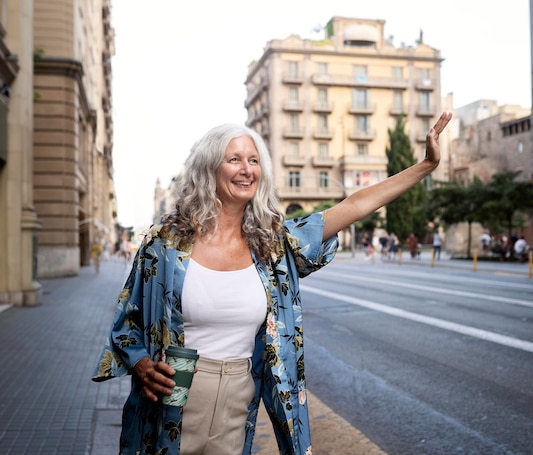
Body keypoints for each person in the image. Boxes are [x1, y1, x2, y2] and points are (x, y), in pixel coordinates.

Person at [92, 112, 452, 455]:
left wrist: (425, 166)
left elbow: (355, 205)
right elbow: (128, 320)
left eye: (253, 160)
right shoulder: (165, 243)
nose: (247, 169)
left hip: (237, 397)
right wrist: (140, 364)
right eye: (234, 159)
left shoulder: (273, 245)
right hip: (172, 396)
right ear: (209, 169)